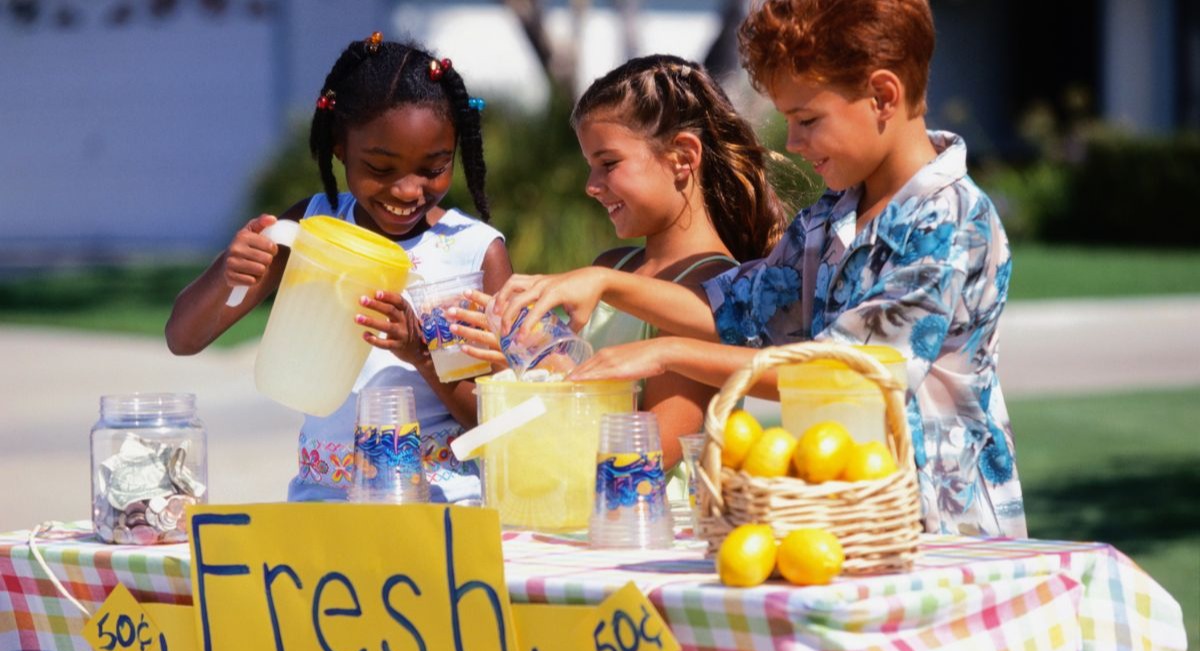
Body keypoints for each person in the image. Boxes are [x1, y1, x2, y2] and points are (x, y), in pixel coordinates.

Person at [492, 0, 1026, 538]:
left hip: (940, 529)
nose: (791, 142)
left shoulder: (950, 221)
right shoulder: (829, 218)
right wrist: (603, 282)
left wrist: (666, 351)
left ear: (883, 96)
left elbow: (846, 376)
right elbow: (733, 309)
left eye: (807, 119)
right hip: (842, 515)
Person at [166, 34, 512, 504]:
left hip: (440, 507)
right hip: (321, 501)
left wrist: (422, 353)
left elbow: (499, 424)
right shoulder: (312, 227)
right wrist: (228, 271)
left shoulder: (475, 252)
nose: (408, 190)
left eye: (433, 168)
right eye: (381, 168)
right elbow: (183, 338)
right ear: (339, 148)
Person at [451, 54, 788, 472]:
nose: (591, 186)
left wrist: (552, 366)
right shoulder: (614, 264)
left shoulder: (710, 289)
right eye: (590, 166)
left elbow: (654, 452)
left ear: (682, 157)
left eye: (608, 163)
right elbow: (569, 413)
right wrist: (519, 360)